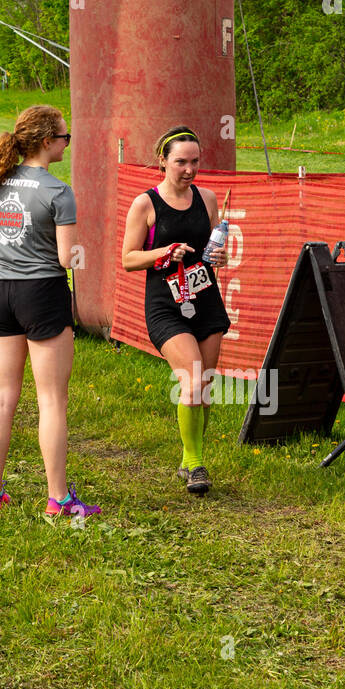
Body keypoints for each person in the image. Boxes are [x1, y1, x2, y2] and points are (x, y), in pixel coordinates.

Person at [0, 105, 101, 519]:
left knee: (1, 397)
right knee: (51, 400)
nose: (66, 143)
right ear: (47, 142)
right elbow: (64, 257)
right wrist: (81, 254)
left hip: (1, 292)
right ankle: (58, 498)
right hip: (42, 293)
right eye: (65, 137)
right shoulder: (58, 191)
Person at [120, 125, 231, 496]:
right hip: (166, 305)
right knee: (193, 378)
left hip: (205, 300)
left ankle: (189, 459)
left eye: (195, 161)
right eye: (181, 162)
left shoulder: (208, 198)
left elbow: (212, 246)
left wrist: (220, 256)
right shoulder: (146, 203)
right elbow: (129, 259)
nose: (189, 169)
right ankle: (196, 464)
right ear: (162, 161)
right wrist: (164, 253)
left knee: (204, 386)